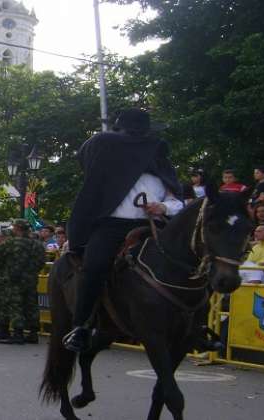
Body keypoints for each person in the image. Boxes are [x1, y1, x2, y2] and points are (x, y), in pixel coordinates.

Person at [64, 108, 184, 352]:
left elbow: (178, 202)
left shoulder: (162, 170)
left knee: (190, 262)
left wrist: (161, 206)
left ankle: (194, 323)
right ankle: (82, 326)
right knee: (94, 267)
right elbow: (87, 151)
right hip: (113, 227)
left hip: (154, 228)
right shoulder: (107, 167)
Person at [0, 219, 46, 344]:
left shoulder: (13, 242)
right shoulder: (38, 244)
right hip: (31, 279)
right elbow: (41, 262)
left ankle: (18, 334)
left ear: (17, 228)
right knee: (31, 305)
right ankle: (33, 334)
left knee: (15, 305)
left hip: (14, 279)